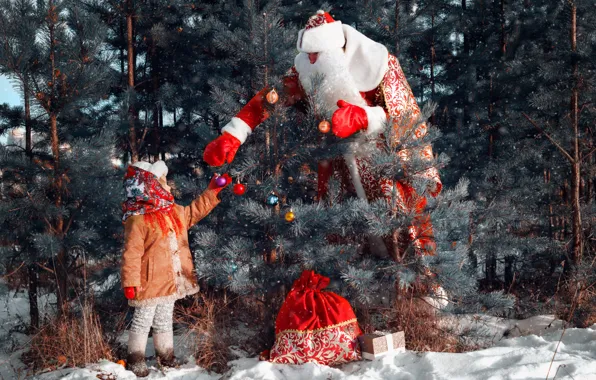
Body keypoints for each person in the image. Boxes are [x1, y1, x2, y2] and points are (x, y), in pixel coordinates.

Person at [203, 10, 442, 261]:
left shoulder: (379, 63)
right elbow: (270, 98)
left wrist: (364, 117)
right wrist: (234, 133)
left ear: (334, 51)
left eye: (318, 54)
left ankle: (417, 290)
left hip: (386, 164)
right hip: (338, 166)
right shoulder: (308, 69)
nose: (313, 60)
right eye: (309, 56)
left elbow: (406, 117)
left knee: (403, 232)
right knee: (343, 239)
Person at [120, 160, 230, 377]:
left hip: (170, 279)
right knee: (143, 320)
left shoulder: (174, 212)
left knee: (163, 319)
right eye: (163, 183)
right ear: (151, 187)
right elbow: (131, 254)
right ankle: (135, 360)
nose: (168, 187)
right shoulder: (137, 220)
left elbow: (195, 211)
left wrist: (212, 191)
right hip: (149, 281)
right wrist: (130, 282)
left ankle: (166, 356)